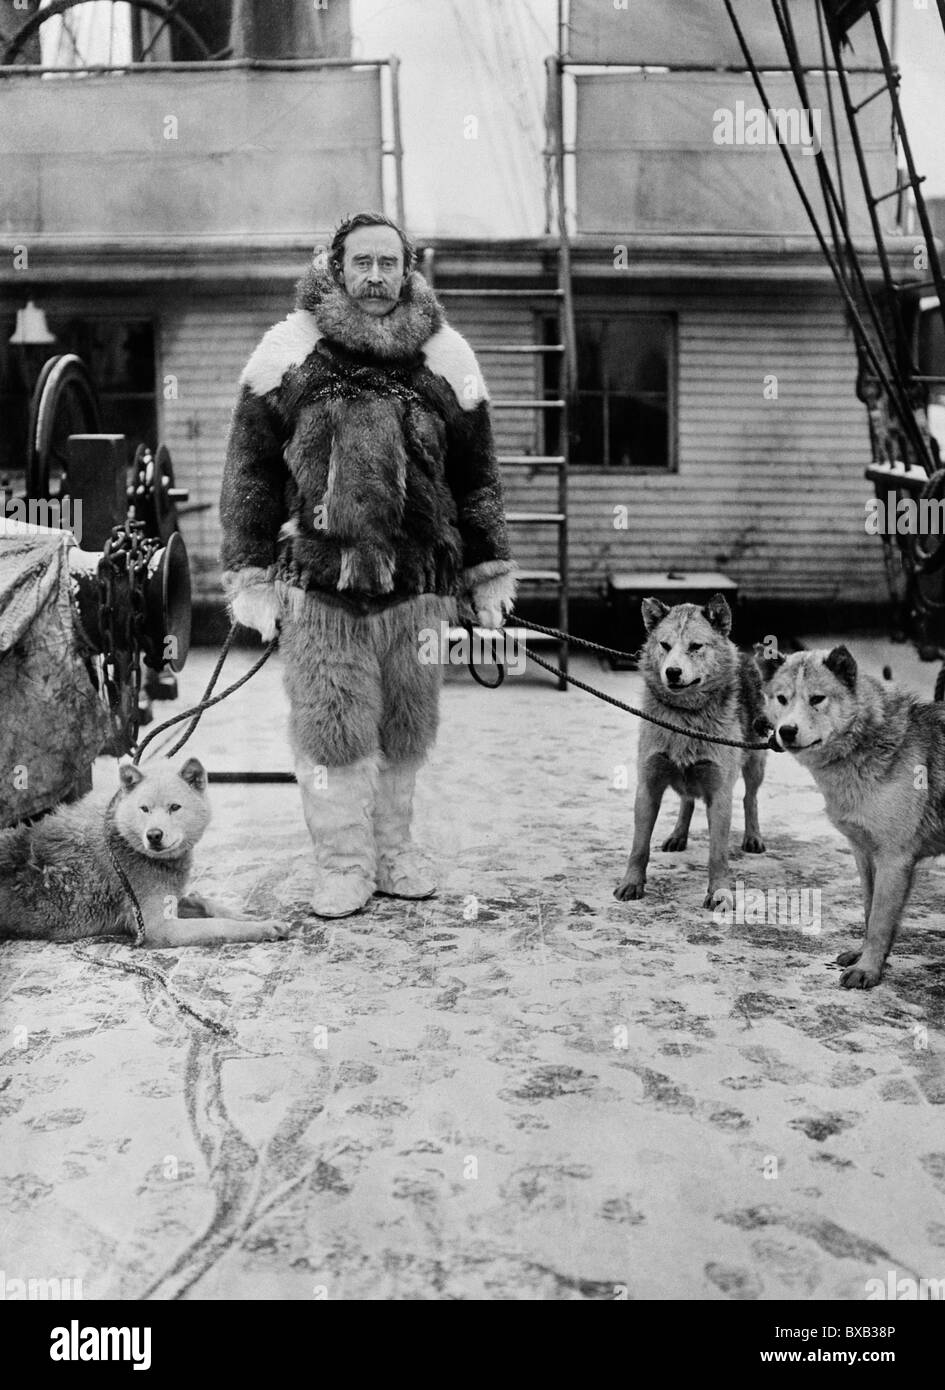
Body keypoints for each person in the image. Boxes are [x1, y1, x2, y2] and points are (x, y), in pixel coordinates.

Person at [219, 212, 516, 917]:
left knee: (405, 730)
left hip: (418, 591)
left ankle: (394, 853)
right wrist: (250, 572)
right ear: (336, 266)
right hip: (322, 591)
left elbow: (476, 476)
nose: (376, 277)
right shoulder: (289, 354)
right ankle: (342, 866)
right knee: (333, 732)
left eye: (390, 263)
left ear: (409, 269)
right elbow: (250, 474)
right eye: (363, 263)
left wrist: (487, 568)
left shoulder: (445, 357)